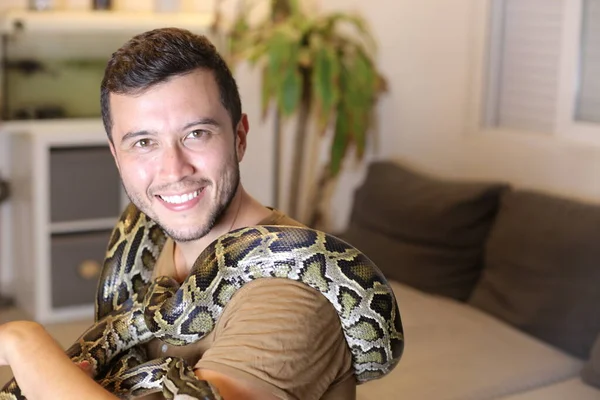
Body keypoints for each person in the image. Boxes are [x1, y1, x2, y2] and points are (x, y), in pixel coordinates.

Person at [0, 28, 355, 400]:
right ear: (116, 156)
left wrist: (23, 341)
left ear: (239, 136)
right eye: (143, 142)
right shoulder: (156, 238)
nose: (173, 171)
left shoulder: (291, 295)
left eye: (196, 133)